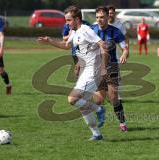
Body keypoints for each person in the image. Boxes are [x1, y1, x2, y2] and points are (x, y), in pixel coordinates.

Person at [37, 5, 107, 141]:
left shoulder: (86, 30)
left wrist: (103, 67)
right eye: (66, 20)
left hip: (94, 70)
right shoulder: (74, 32)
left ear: (77, 19)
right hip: (85, 71)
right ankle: (97, 134)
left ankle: (99, 110)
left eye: (69, 20)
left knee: (73, 99)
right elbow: (67, 46)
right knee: (81, 104)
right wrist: (50, 41)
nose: (66, 23)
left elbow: (102, 45)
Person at [91, 6, 129, 132]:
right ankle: (100, 115)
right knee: (98, 99)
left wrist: (124, 54)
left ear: (108, 17)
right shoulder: (91, 30)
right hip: (96, 67)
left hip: (111, 67)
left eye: (102, 17)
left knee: (113, 98)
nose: (99, 20)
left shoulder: (115, 31)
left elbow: (124, 47)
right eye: (97, 17)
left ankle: (122, 122)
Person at [107, 5, 128, 103]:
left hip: (115, 54)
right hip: (100, 55)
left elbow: (124, 38)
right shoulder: (98, 24)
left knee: (115, 76)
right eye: (108, 13)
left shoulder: (120, 25)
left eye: (112, 13)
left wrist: (125, 52)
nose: (110, 15)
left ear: (114, 13)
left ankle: (117, 96)